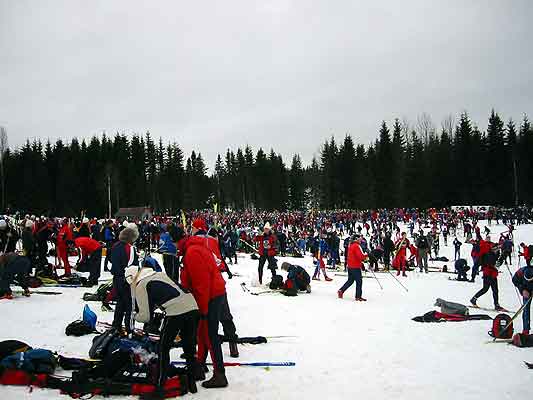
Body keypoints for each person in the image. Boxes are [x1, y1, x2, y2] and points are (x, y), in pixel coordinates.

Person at [124, 264, 203, 393]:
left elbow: (145, 317)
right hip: (192, 305)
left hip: (175, 311)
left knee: (163, 347)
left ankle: (160, 381)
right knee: (188, 345)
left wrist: (134, 315)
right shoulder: (157, 274)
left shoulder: (141, 285)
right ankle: (194, 377)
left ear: (131, 279)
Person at [180, 224, 229, 389]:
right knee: (203, 332)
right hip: (214, 292)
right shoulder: (196, 248)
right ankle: (200, 364)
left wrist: (203, 310)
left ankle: (220, 374)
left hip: (211, 296)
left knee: (210, 334)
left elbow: (202, 284)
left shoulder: (192, 253)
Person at [110, 225, 139, 333]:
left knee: (120, 304)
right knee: (130, 306)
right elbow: (132, 267)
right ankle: (129, 328)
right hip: (127, 280)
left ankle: (116, 325)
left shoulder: (115, 245)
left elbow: (110, 258)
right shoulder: (130, 248)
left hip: (116, 278)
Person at [470, 237, 504, 311]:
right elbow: (479, 263)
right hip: (487, 273)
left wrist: (501, 260)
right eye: (496, 249)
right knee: (487, 289)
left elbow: (497, 263)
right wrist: (473, 275)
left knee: (492, 289)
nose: (497, 250)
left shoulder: (496, 254)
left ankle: (496, 304)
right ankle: (496, 305)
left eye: (498, 249)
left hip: (493, 273)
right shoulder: (487, 254)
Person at [338, 234, 367, 301]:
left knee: (350, 280)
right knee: (359, 281)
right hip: (355, 266)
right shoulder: (356, 246)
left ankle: (341, 290)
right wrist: (366, 255)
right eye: (360, 239)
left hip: (350, 266)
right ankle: (358, 296)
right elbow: (360, 256)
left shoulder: (351, 245)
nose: (361, 240)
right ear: (356, 239)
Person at [512, 259, 533, 335]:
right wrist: (522, 289)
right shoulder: (520, 272)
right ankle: (525, 330)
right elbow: (514, 280)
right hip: (526, 289)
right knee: (526, 309)